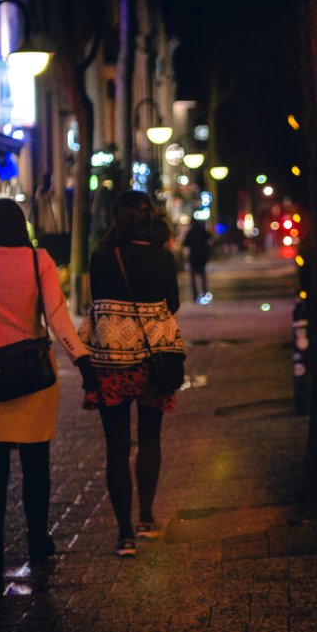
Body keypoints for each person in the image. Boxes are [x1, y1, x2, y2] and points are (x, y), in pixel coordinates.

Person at [0, 199, 99, 593]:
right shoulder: (39, 260)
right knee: (37, 464)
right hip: (34, 374)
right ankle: (37, 541)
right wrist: (82, 359)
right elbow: (56, 316)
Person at [81, 190, 182, 557]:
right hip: (155, 358)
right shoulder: (161, 258)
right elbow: (173, 304)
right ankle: (147, 517)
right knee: (150, 438)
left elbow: (94, 302)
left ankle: (124, 535)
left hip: (110, 360)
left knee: (117, 447)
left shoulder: (101, 257)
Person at [182, 216, 212, 302]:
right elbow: (210, 238)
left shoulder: (190, 232)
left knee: (193, 277)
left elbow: (185, 243)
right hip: (202, 256)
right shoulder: (202, 230)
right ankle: (204, 291)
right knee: (203, 275)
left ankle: (195, 294)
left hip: (193, 257)